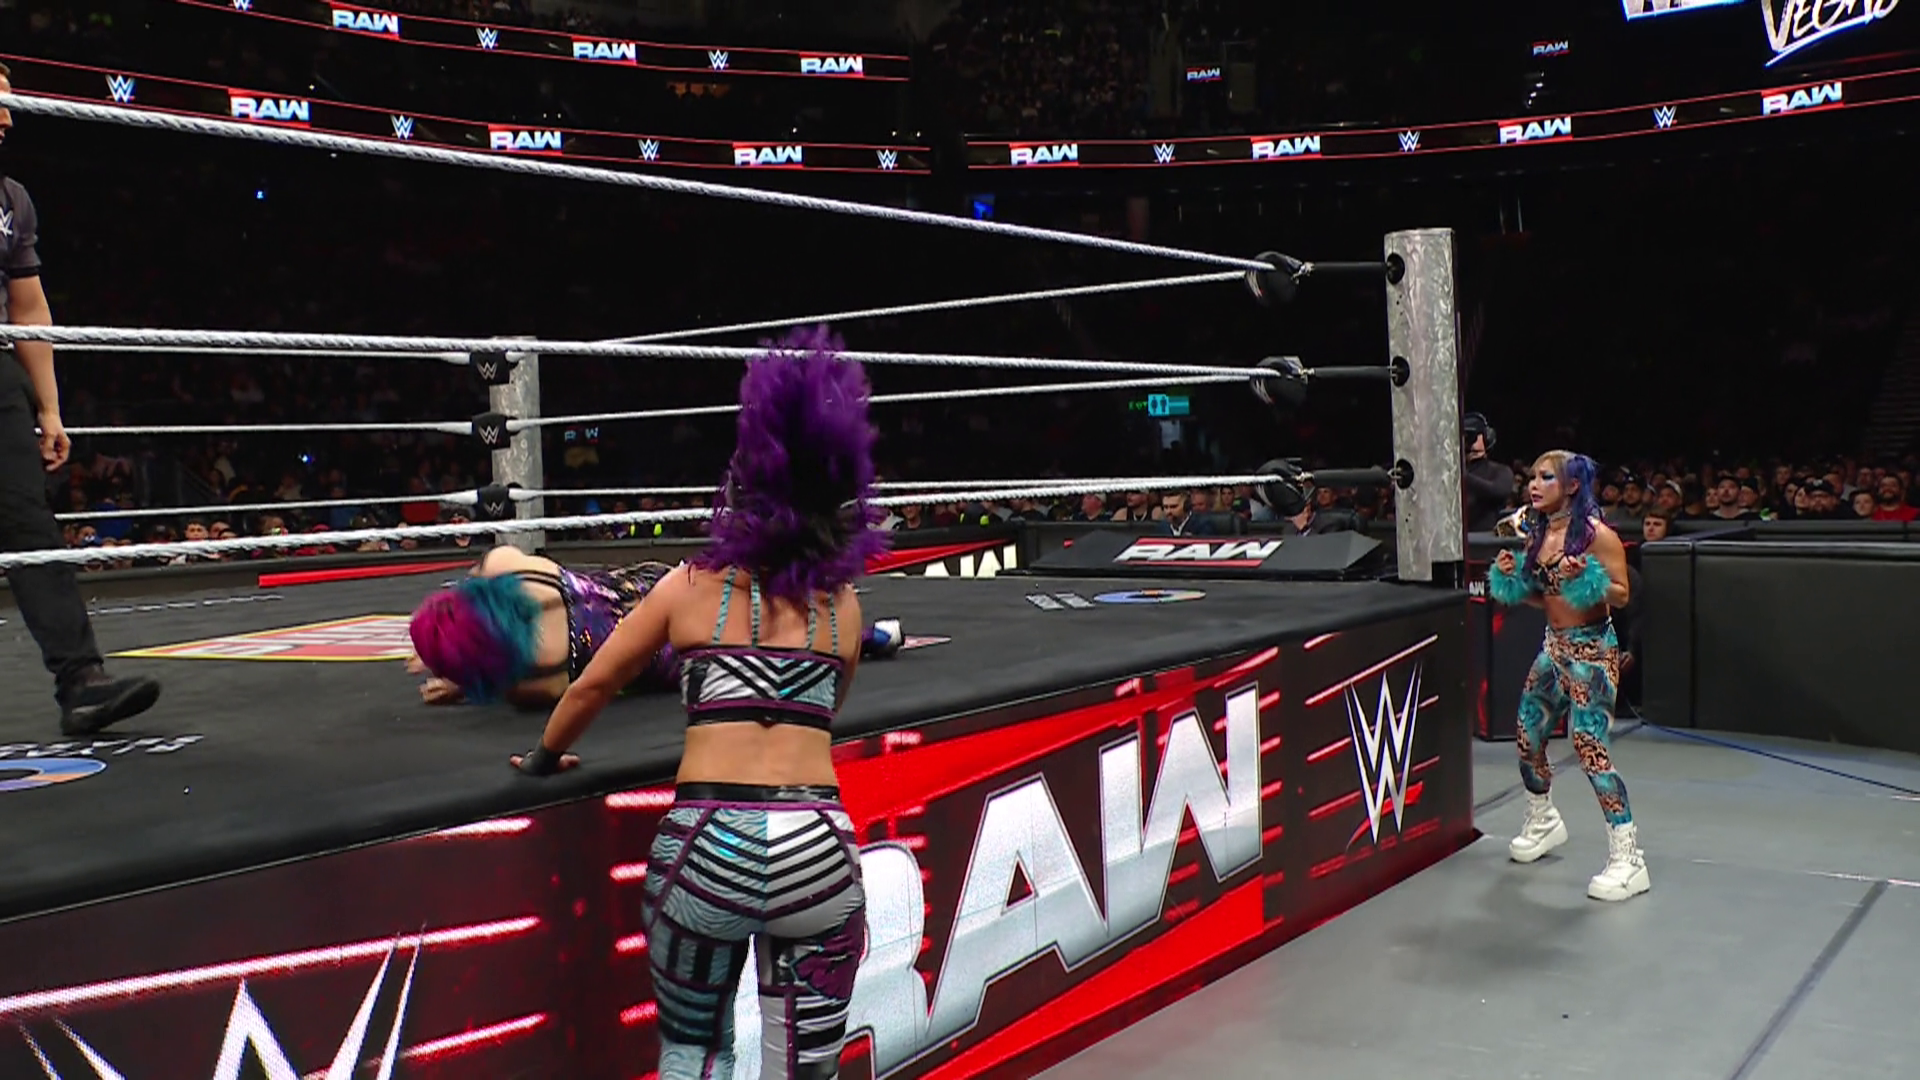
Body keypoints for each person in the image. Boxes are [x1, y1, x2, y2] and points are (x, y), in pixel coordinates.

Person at [511, 327, 884, 1080]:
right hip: (817, 844)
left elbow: (593, 684)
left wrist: (544, 757)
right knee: (806, 1069)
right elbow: (827, 709)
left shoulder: (688, 587)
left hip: (708, 844)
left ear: (743, 482)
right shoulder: (841, 608)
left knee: (694, 1052)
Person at [0, 62, 162, 734]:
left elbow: (28, 306)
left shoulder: (11, 198)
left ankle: (82, 682)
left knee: (29, 523)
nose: (8, 117)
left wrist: (49, 408)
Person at [407, 550, 905, 707]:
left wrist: (465, 677)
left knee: (743, 643)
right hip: (652, 584)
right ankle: (846, 619)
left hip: (662, 651)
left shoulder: (528, 684)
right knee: (734, 594)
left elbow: (502, 673)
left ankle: (865, 637)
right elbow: (474, 584)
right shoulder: (507, 565)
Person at [1485, 449, 1648, 902]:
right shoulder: (1538, 534)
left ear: (1572, 485)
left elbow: (1621, 595)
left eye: (1546, 478)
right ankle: (1543, 818)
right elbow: (1544, 596)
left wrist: (1587, 578)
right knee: (1527, 735)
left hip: (1592, 651)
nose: (1533, 485)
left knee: (1589, 746)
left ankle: (1629, 856)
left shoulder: (1597, 535)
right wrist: (1511, 579)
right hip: (1553, 648)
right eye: (1532, 477)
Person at [1462, 412, 1515, 532]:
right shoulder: (1449, 475)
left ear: (1487, 438)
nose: (1470, 443)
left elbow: (1499, 490)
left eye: (1473, 437)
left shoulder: (1499, 470)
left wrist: (1462, 476)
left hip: (1486, 540)